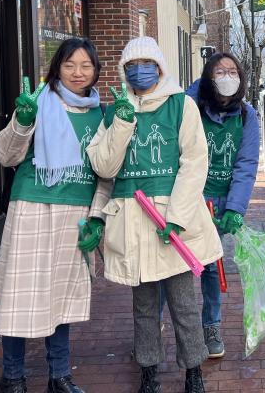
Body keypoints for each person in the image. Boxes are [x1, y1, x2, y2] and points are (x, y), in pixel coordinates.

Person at [83, 36, 222, 393]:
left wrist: (177, 215)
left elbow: (195, 162)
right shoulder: (115, 111)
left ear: (160, 68)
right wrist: (121, 123)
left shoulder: (181, 105)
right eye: (131, 66)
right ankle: (148, 368)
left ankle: (194, 369)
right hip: (131, 222)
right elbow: (104, 167)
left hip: (170, 224)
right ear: (123, 71)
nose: (139, 71)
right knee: (143, 307)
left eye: (147, 64)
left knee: (183, 304)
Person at [0, 38, 105, 393]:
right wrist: (22, 121)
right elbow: (7, 156)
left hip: (76, 212)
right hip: (32, 207)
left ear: (96, 70)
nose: (77, 72)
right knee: (19, 293)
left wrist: (98, 217)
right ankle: (12, 377)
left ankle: (59, 376)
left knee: (62, 297)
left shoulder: (102, 113)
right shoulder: (39, 101)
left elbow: (106, 175)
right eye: (69, 65)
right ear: (57, 67)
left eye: (86, 65)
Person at [185, 52, 260, 358]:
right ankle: (160, 324)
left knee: (212, 267)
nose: (227, 77)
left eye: (233, 71)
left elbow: (246, 164)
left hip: (220, 204)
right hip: (188, 199)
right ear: (208, 76)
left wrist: (234, 208)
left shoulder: (246, 116)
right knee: (174, 265)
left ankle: (211, 325)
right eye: (219, 71)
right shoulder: (191, 107)